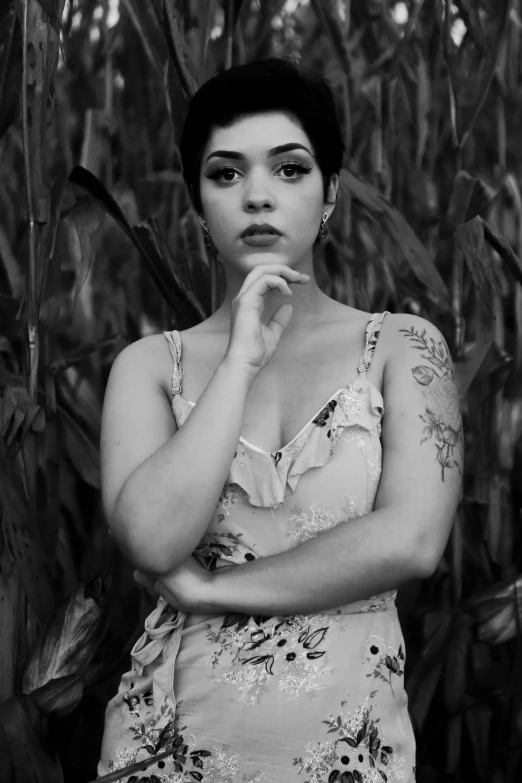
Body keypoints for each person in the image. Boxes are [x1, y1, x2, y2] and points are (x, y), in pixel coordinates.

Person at [97, 58, 463, 783]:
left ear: (330, 194)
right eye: (225, 174)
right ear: (198, 205)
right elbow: (148, 534)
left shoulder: (403, 346)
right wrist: (238, 361)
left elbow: (414, 539)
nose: (257, 196)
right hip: (170, 744)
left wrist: (212, 589)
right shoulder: (148, 366)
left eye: (290, 170)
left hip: (347, 750)